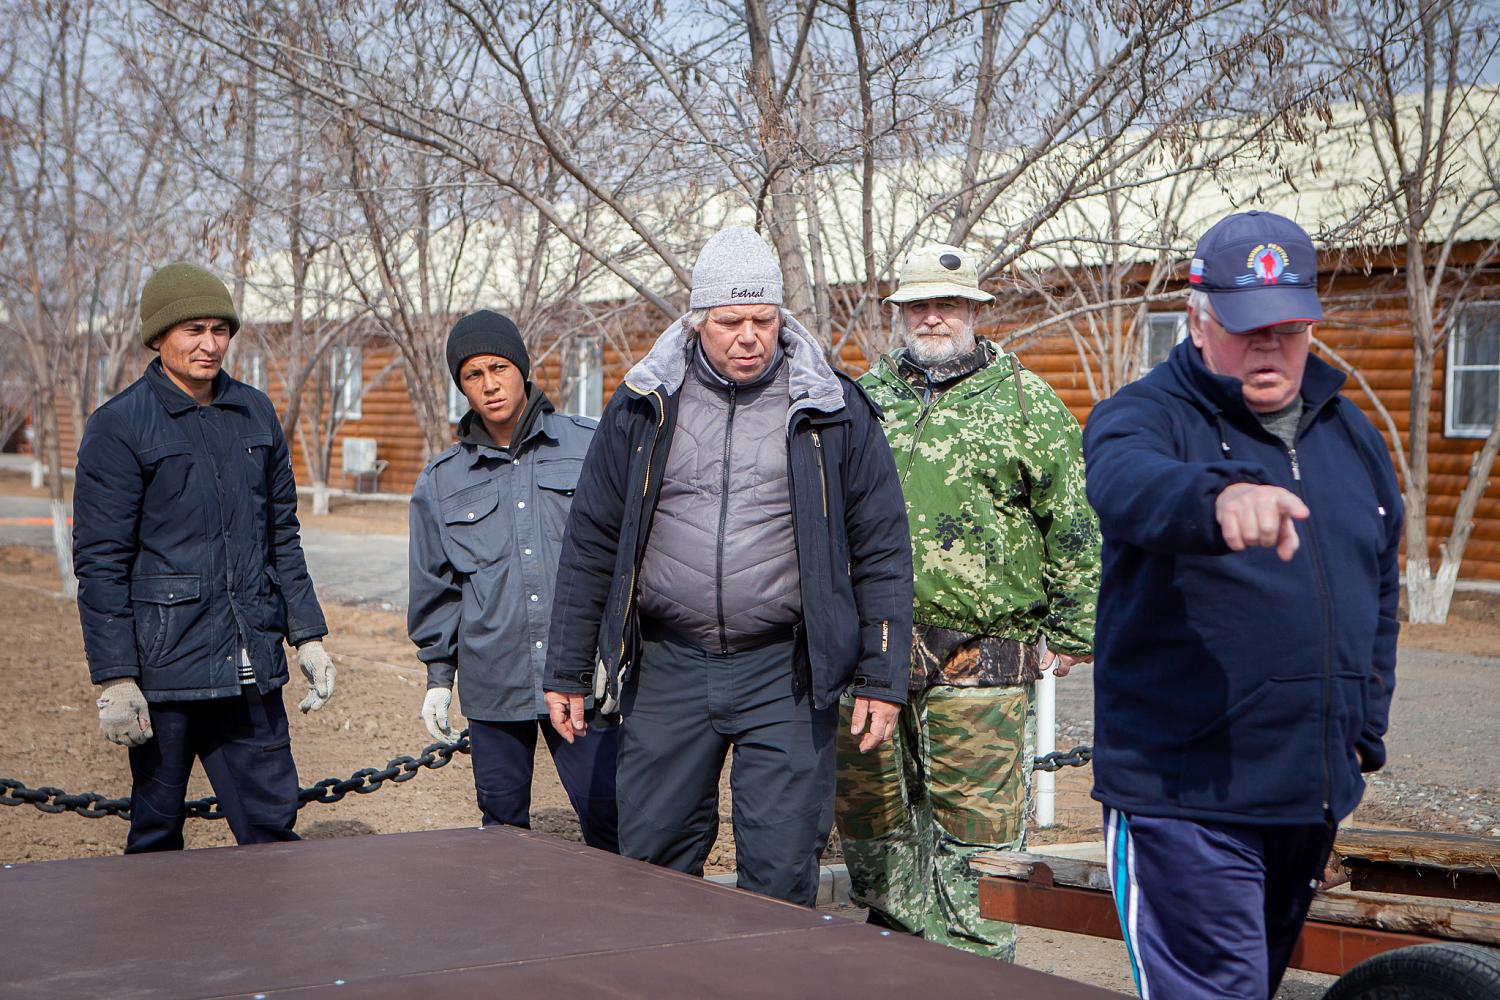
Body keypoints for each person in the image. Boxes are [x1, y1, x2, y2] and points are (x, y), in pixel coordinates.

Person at [543, 226, 914, 906]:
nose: (749, 335)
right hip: (667, 666)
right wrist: (566, 668)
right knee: (651, 865)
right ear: (696, 321)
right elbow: (591, 540)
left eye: (763, 320)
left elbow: (882, 543)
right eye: (730, 321)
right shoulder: (642, 404)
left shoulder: (831, 407)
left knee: (779, 872)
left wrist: (882, 675)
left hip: (787, 672)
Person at [1083, 211, 1402, 999]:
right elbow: (1125, 483)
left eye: (1288, 329)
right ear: (1197, 321)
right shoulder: (1146, 414)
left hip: (1305, 795)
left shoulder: (1348, 429)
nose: (1270, 348)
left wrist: (1362, 731)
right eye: (1246, 328)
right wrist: (1218, 501)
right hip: (1184, 798)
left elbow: (1378, 585)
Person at [836, 243, 1100, 959]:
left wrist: (1075, 627)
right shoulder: (863, 399)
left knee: (975, 849)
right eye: (918, 305)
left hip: (979, 666)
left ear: (973, 311)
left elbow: (1073, 519)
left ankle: (972, 975)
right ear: (899, 314)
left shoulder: (1025, 401)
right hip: (873, 660)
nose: (931, 317)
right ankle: (894, 964)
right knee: (875, 832)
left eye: (946, 304)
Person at [74, 262, 336, 853]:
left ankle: (271, 944)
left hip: (253, 666)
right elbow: (100, 562)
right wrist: (116, 676)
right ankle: (161, 945)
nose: (210, 344)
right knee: (158, 835)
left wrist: (308, 637)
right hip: (166, 669)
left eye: (221, 329)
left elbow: (282, 535)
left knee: (271, 829)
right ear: (159, 336)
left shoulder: (255, 412)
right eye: (194, 329)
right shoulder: (119, 426)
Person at [407, 310, 617, 850]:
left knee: (611, 818)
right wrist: (438, 677)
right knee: (501, 834)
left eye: (499, 367)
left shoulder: (588, 446)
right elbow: (437, 588)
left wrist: (615, 652)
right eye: (472, 375)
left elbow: (625, 559)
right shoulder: (441, 481)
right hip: (493, 683)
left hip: (579, 680)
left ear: (522, 368)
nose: (489, 384)